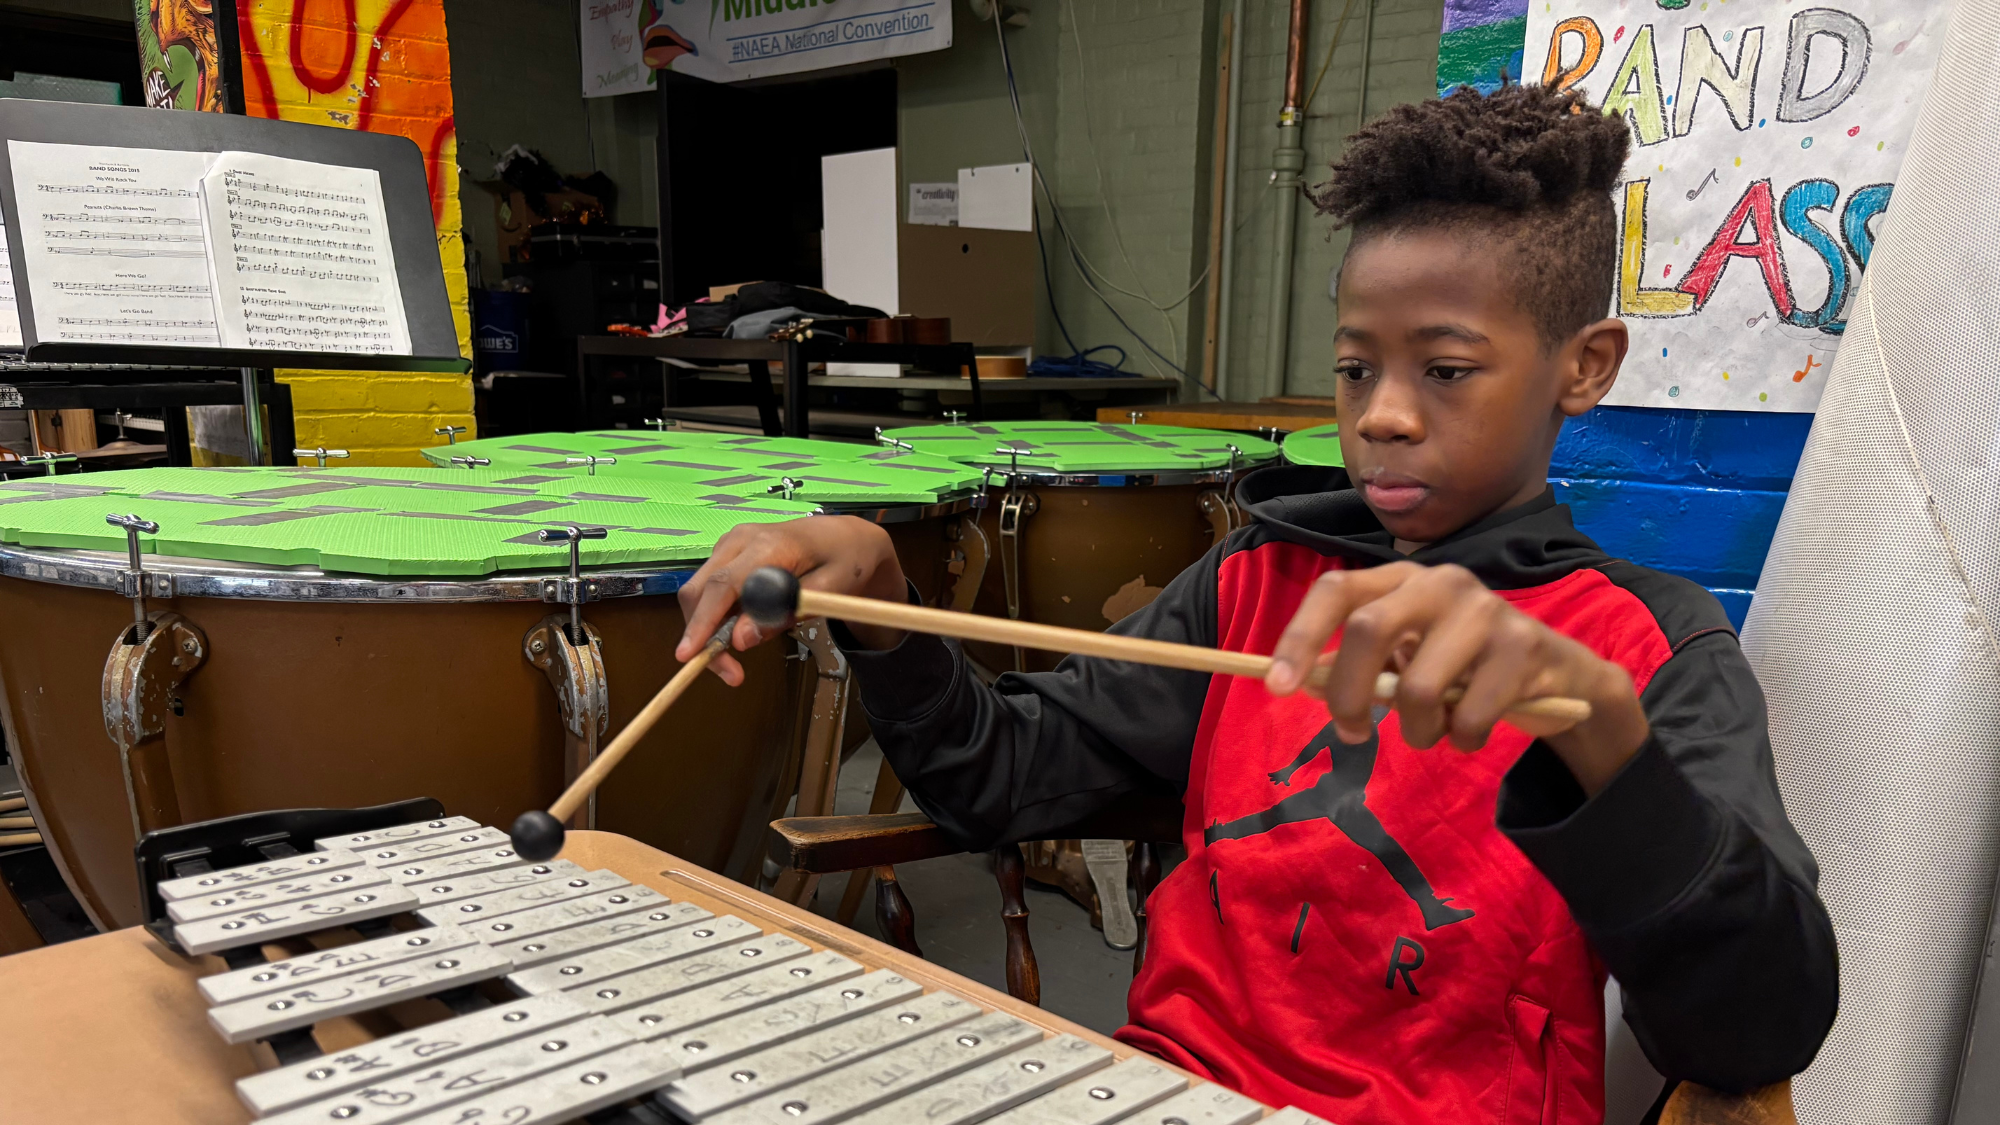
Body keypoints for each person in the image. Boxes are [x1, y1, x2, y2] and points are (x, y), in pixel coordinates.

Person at [673, 84, 1837, 1125]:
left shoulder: (1645, 645)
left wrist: (1600, 739)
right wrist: (885, 596)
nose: (1379, 413)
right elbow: (1001, 777)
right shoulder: (1249, 583)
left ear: (1582, 366)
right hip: (1160, 1089)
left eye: (1442, 368)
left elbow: (1753, 1033)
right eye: (1351, 367)